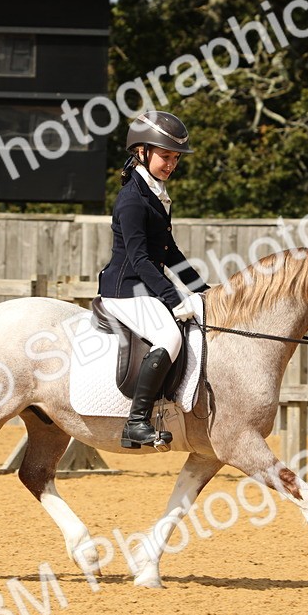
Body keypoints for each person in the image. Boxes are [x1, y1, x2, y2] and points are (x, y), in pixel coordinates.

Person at [97, 110, 209, 448]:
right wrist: (175, 299)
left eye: (175, 158)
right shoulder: (132, 199)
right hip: (125, 290)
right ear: (141, 151)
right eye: (165, 156)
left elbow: (169, 251)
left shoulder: (155, 193)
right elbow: (140, 259)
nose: (171, 164)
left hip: (145, 288)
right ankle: (136, 422)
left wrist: (203, 290)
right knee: (169, 337)